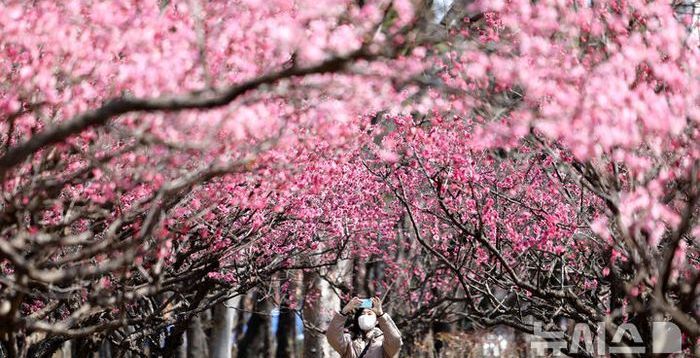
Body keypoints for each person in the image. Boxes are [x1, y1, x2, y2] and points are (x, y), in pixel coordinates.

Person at [326, 296, 403, 358]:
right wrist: (344, 312)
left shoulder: (384, 341)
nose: (365, 316)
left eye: (369, 314)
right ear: (357, 319)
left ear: (377, 321)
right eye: (362, 314)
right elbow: (332, 336)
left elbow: (395, 340)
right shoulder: (348, 340)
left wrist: (381, 315)